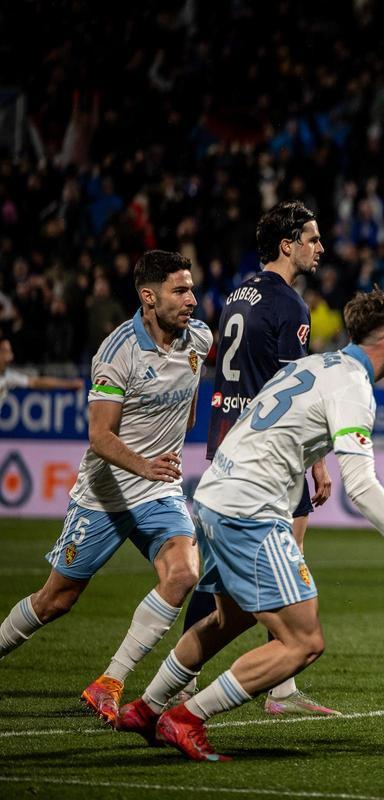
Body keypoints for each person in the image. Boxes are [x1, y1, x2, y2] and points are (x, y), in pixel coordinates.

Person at [114, 289, 384, 762]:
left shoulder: (316, 365)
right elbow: (361, 485)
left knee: (231, 617)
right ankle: (187, 717)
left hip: (216, 495)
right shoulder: (354, 388)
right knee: (303, 641)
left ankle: (147, 706)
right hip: (248, 510)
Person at [0, 251, 211, 728]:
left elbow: (191, 407)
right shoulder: (117, 352)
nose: (192, 300)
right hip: (106, 493)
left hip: (159, 490)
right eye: (180, 290)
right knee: (57, 599)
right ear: (148, 297)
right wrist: (145, 463)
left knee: (182, 574)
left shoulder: (199, 339)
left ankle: (109, 682)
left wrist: (166, 454)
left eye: (192, 288)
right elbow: (99, 436)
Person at [179, 200, 338, 717]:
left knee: (218, 577)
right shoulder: (291, 306)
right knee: (285, 565)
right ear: (288, 244)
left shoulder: (237, 294)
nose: (321, 247)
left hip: (225, 443)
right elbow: (293, 392)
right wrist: (316, 459)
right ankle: (279, 689)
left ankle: (183, 680)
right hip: (270, 455)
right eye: (312, 238)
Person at [0, 333, 85, 397]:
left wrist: (70, 384)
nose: (10, 356)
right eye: (6, 351)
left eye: (10, 351)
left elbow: (36, 382)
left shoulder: (8, 376)